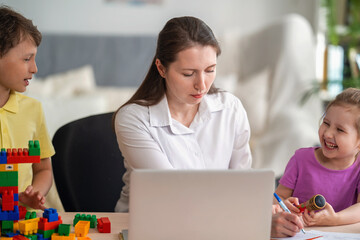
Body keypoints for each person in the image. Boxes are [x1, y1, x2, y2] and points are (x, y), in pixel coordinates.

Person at [112, 16, 304, 237]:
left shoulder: (230, 109)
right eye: (188, 73)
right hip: (152, 228)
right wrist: (255, 223)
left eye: (210, 70)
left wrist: (266, 209)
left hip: (215, 227)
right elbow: (174, 196)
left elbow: (241, 184)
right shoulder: (133, 119)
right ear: (161, 68)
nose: (201, 85)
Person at [275, 88, 360, 227]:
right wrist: (282, 205)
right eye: (326, 123)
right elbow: (277, 198)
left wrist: (335, 219)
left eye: (340, 130)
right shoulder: (300, 159)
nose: (328, 134)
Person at [0, 5, 55, 210]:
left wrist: (34, 194)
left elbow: (43, 170)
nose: (34, 68)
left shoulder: (33, 110)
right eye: (26, 59)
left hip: (23, 221)